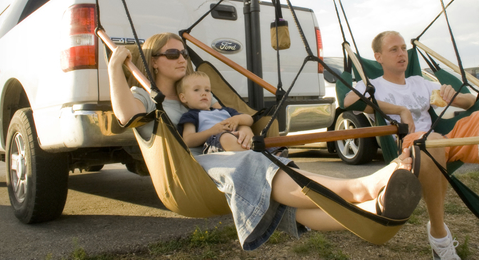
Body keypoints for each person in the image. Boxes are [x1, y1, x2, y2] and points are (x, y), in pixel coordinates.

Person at [108, 32, 422, 251]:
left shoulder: (196, 91)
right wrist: (114, 71)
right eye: (173, 53)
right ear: (154, 60)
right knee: (257, 163)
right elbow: (125, 114)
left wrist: (243, 129)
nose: (182, 59)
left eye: (184, 53)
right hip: (192, 173)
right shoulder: (148, 97)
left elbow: (234, 118)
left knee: (286, 202)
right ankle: (362, 187)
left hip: (227, 165)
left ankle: (373, 210)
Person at [344, 31, 479, 260]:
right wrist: (400, 110)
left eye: (403, 48)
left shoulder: (420, 83)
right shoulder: (372, 85)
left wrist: (453, 96)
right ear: (378, 57)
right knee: (433, 141)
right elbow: (348, 101)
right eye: (394, 50)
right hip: (410, 146)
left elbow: (471, 101)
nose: (402, 54)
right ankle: (439, 235)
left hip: (439, 139)